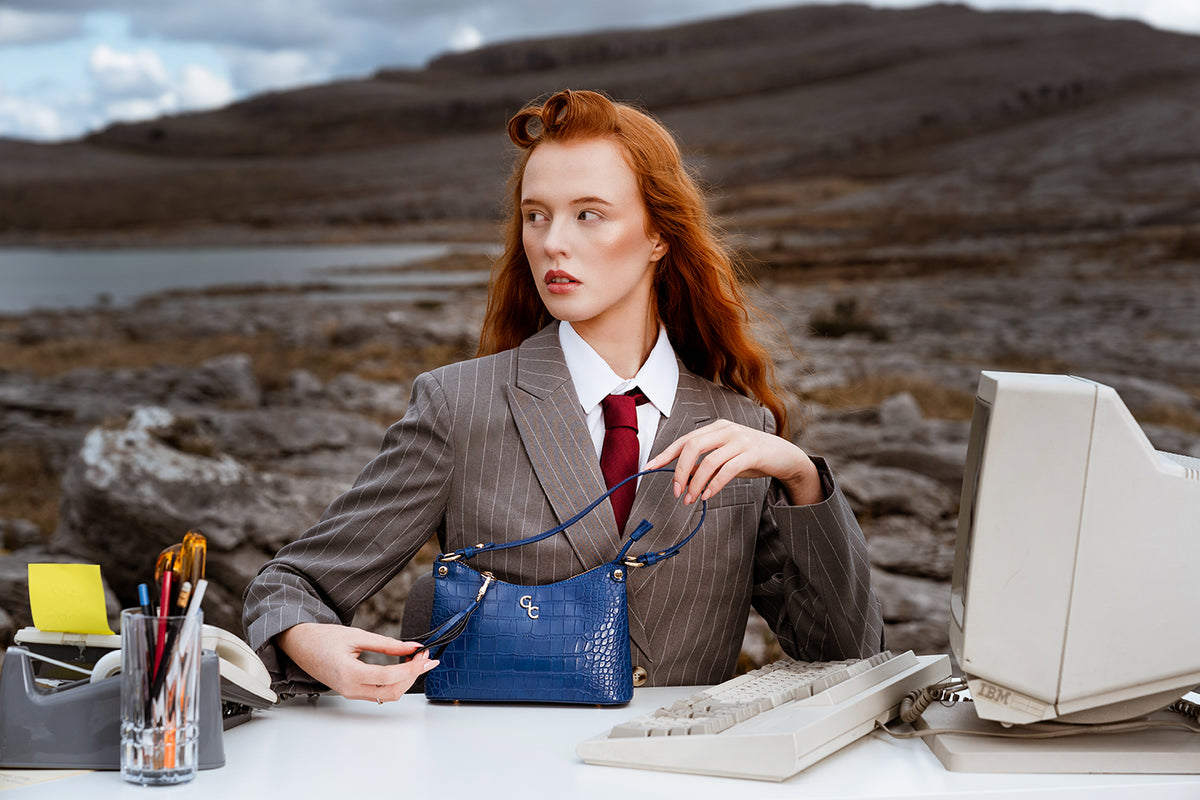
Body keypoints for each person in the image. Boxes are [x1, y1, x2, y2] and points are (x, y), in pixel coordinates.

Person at [242, 89, 883, 703]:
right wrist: (309, 639)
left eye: (589, 214)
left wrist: (801, 477)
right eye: (536, 215)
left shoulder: (741, 428)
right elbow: (292, 584)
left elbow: (846, 653)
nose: (552, 242)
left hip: (681, 774)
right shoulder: (457, 406)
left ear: (659, 236)